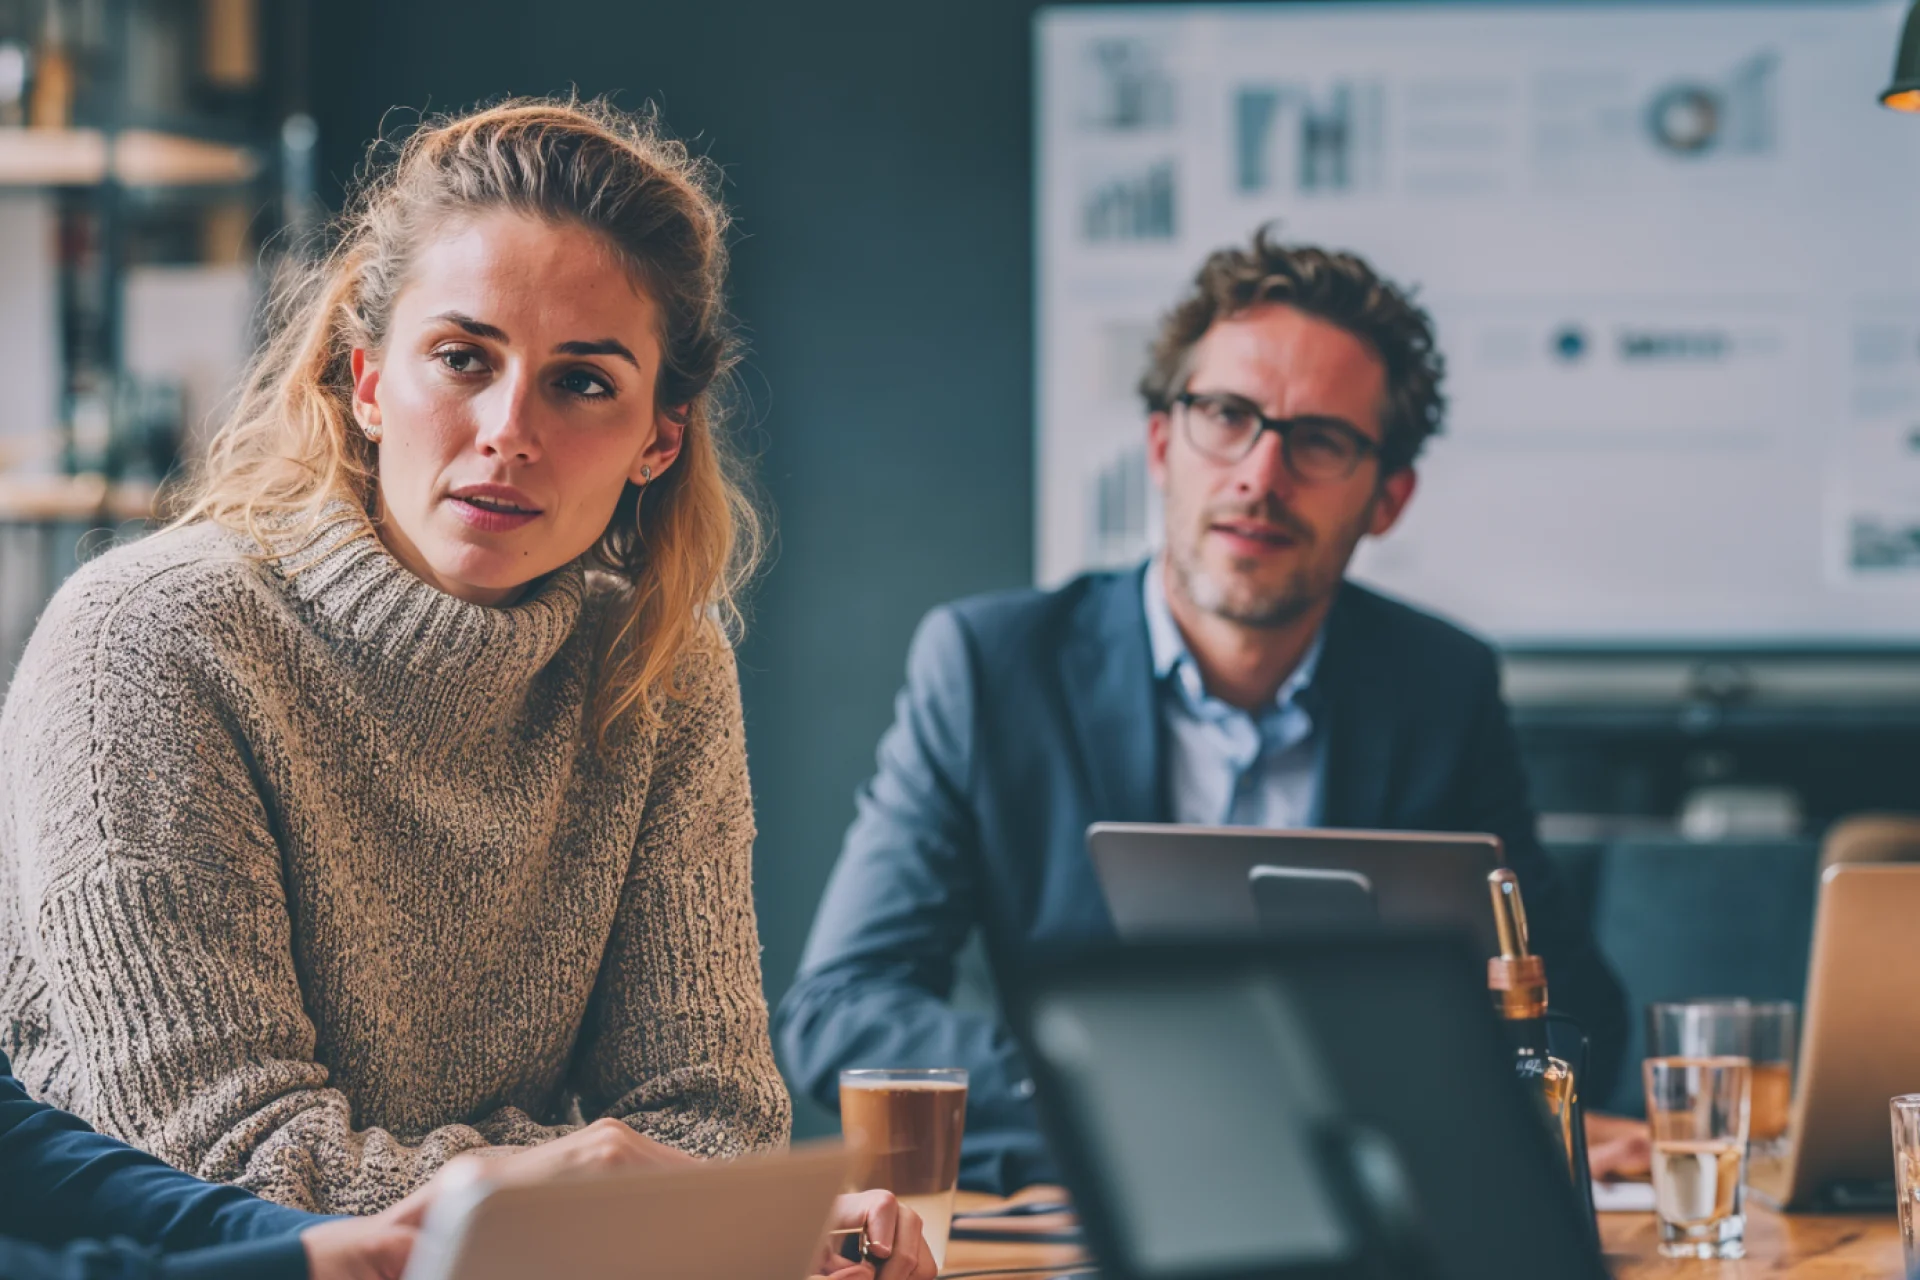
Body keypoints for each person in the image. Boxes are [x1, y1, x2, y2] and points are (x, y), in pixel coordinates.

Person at [0, 99, 916, 1274]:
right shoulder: (146, 641)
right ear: (369, 381)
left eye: (582, 382)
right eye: (462, 358)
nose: (506, 430)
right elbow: (218, 1158)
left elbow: (717, 1123)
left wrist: (607, 1183)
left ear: (660, 438)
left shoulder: (658, 664)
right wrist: (583, 1170)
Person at [774, 227, 1632, 1194]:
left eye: (1320, 441)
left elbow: (1572, 1016)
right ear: (1159, 442)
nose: (1260, 476)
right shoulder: (990, 668)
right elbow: (841, 1010)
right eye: (1226, 415)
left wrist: (1511, 1105)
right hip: (1093, 1213)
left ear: (1387, 498)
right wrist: (1138, 1097)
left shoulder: (1440, 686)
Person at [0, 1044, 929, 1280]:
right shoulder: (141, 636)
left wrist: (339, 1245)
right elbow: (235, 1138)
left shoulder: (654, 650)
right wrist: (300, 1260)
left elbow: (26, 1152)